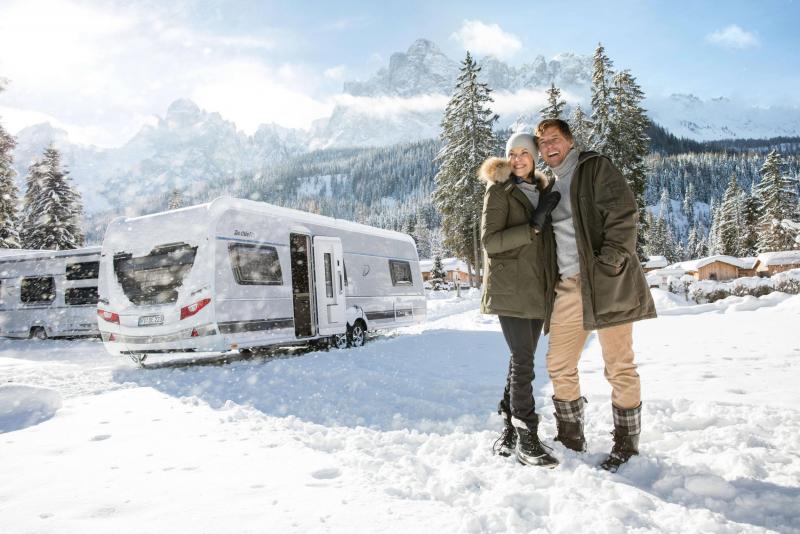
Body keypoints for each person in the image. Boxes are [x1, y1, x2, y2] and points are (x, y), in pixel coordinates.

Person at [534, 118, 656, 472]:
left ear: (570, 141)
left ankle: (626, 445)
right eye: (543, 143)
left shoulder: (595, 168)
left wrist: (609, 262)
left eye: (554, 139)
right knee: (559, 364)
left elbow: (623, 214)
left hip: (605, 281)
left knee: (619, 365)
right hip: (568, 287)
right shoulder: (549, 186)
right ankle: (571, 437)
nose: (549, 147)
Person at [479, 132, 562, 468]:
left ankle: (509, 431)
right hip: (509, 288)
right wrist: (532, 227)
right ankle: (527, 437)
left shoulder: (541, 192)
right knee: (524, 361)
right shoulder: (499, 190)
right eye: (511, 153)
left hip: (536, 290)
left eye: (524, 153)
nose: (517, 159)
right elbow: (490, 242)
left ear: (534, 157)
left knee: (520, 360)